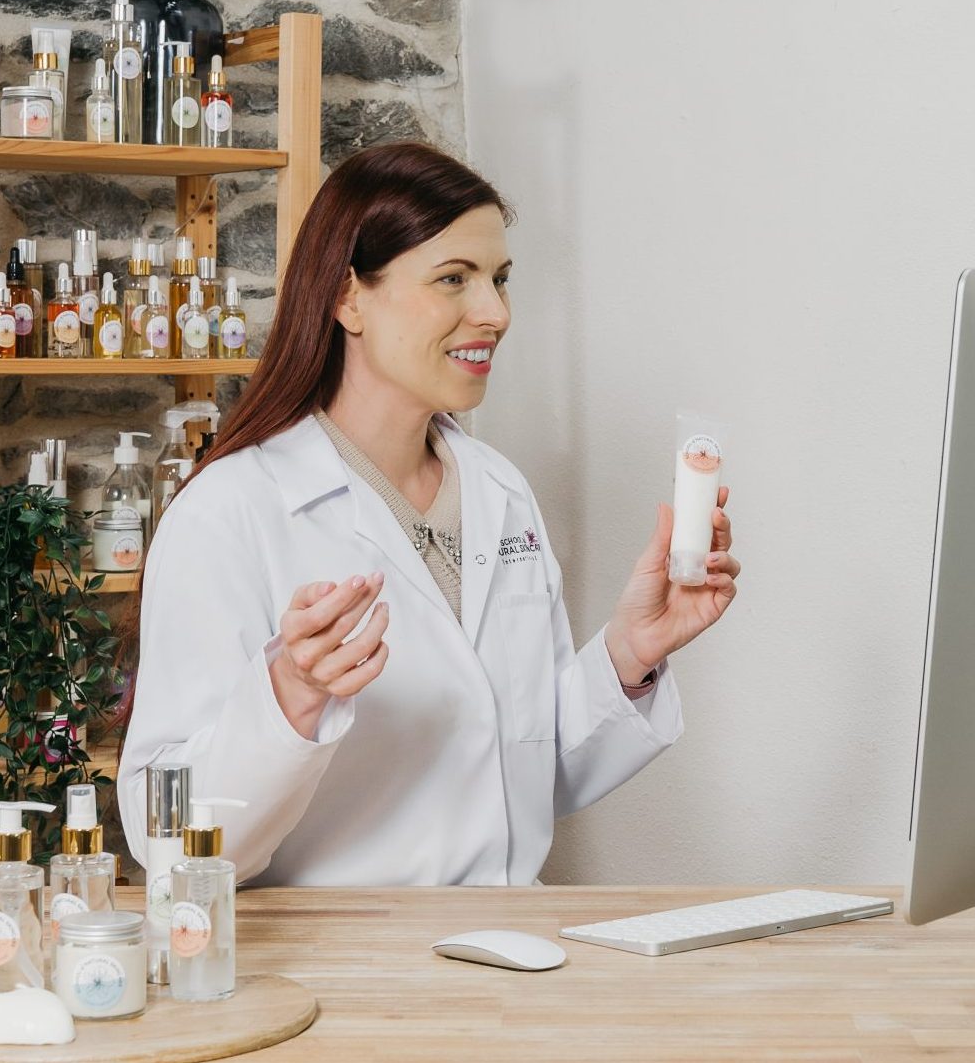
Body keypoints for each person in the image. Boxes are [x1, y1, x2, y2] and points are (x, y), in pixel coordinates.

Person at [117, 142, 740, 885]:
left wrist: (630, 658)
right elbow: (167, 839)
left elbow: (519, 776)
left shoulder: (497, 490)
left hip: (506, 956)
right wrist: (290, 697)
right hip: (352, 968)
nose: (495, 313)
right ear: (349, 298)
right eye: (454, 279)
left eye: (500, 280)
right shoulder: (231, 511)